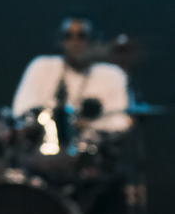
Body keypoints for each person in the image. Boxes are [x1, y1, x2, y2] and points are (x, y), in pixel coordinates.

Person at [12, 14, 131, 142]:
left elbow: (122, 121)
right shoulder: (42, 67)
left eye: (81, 36)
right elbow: (21, 111)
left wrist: (89, 125)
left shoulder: (111, 75)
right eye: (68, 36)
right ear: (60, 40)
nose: (74, 42)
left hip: (94, 146)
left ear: (94, 39)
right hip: (45, 145)